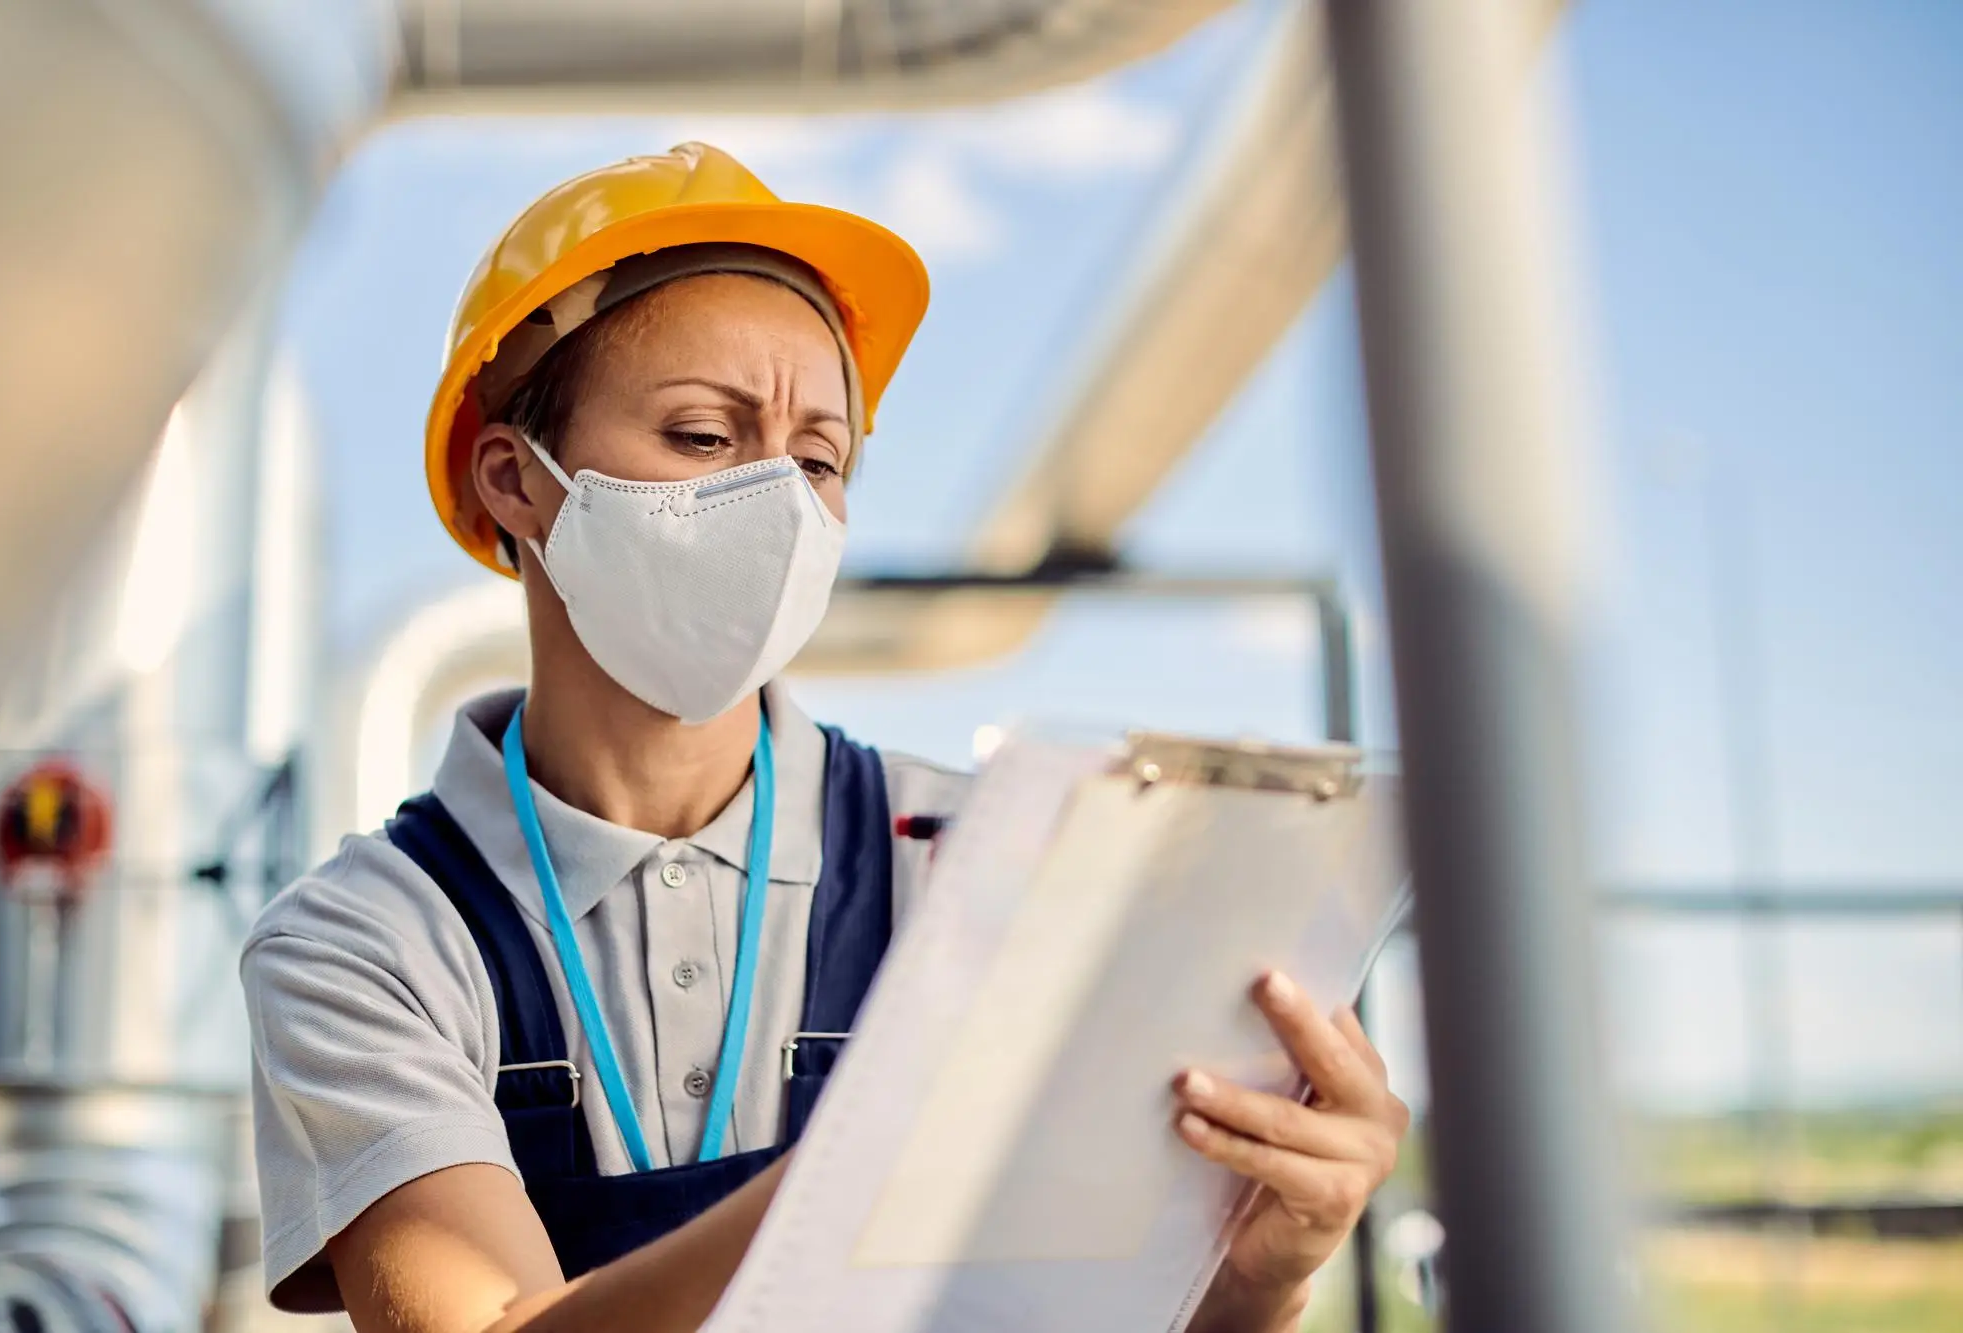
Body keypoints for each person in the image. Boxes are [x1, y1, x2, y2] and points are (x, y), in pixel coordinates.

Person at [242, 143, 1408, 1333]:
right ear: (515, 479)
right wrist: (886, 1162)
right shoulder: (369, 939)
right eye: (702, 436)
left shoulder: (982, 858)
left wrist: (1257, 1274)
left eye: (817, 460)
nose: (779, 507)